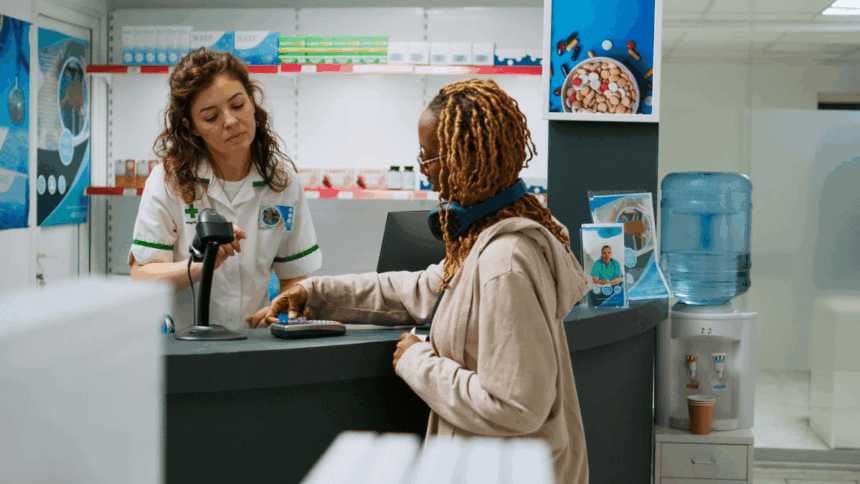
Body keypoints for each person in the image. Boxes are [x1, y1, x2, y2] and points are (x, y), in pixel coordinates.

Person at [266, 79, 590, 483]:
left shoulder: (505, 263)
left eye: (428, 156)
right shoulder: (485, 242)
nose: (422, 167)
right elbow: (418, 290)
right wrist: (314, 292)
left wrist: (417, 361)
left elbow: (517, 406)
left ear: (465, 159)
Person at [128, 48, 322, 331]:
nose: (230, 121)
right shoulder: (169, 180)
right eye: (210, 117)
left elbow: (294, 276)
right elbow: (141, 274)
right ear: (191, 126)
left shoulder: (282, 182)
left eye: (237, 104)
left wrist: (280, 310)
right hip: (185, 344)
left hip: (254, 341)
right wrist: (201, 265)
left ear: (252, 103)